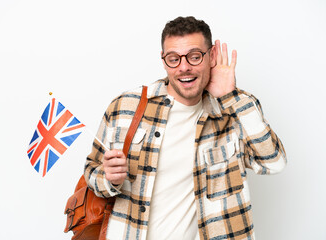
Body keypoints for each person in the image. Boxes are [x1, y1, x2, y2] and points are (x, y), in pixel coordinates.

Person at [84, 16, 286, 240]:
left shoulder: (234, 111)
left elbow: (273, 162)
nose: (184, 67)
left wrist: (230, 96)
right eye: (173, 58)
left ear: (211, 57)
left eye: (194, 56)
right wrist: (109, 179)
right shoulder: (125, 107)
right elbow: (92, 170)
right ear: (163, 61)